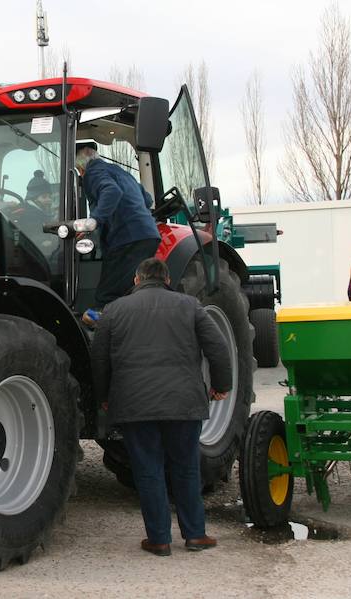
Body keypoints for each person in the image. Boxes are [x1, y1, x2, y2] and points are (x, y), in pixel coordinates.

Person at [90, 258, 232, 557]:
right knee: (186, 469)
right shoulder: (190, 305)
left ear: (137, 279)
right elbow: (218, 348)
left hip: (135, 405)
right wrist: (222, 386)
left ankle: (159, 540)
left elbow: (99, 360)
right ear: (167, 280)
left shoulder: (114, 310)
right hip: (183, 404)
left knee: (148, 471)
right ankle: (195, 535)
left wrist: (103, 396)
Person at [75, 141, 160, 326]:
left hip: (126, 239)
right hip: (147, 235)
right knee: (129, 290)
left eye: (78, 170)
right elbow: (146, 199)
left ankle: (106, 335)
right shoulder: (120, 172)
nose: (80, 174)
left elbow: (111, 191)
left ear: (81, 166)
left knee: (107, 296)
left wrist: (93, 221)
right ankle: (133, 324)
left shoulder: (93, 172)